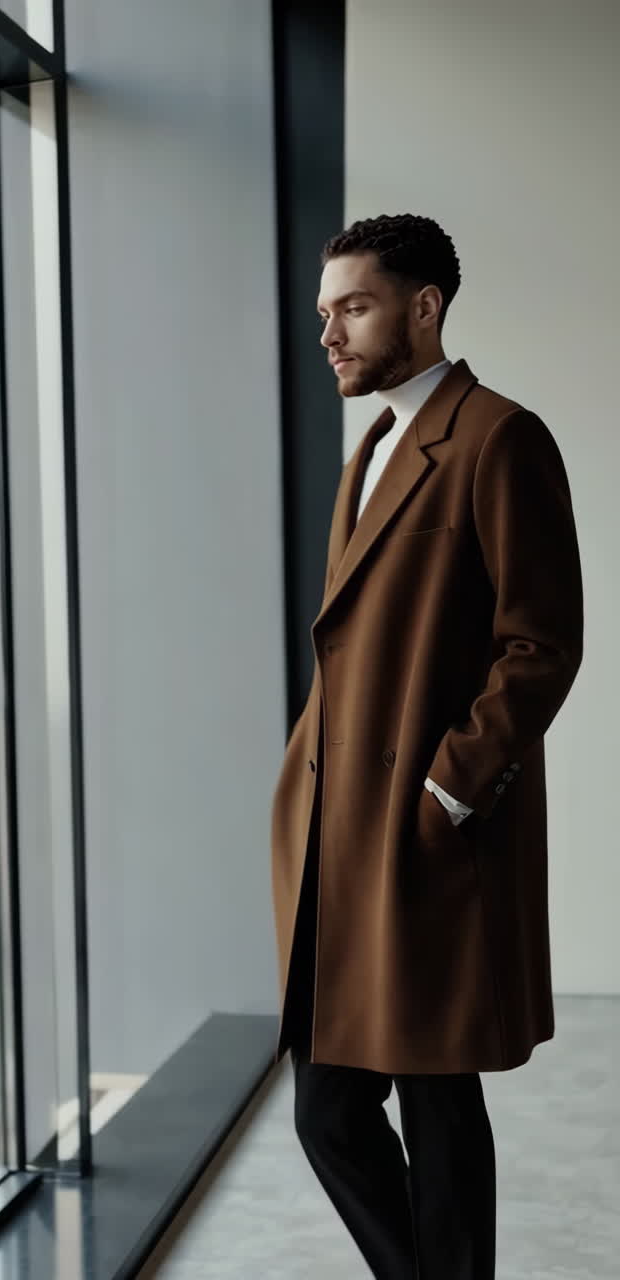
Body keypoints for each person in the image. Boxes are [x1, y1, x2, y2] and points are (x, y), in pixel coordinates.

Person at [269, 213, 584, 1279]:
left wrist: (450, 790)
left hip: (424, 829)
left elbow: (541, 642)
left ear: (424, 307)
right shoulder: (372, 447)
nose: (331, 334)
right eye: (325, 312)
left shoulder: (498, 436)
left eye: (352, 306)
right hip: (340, 831)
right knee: (330, 1106)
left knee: (438, 1096)